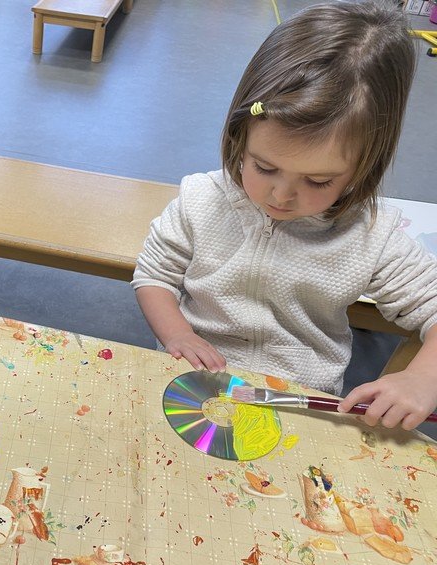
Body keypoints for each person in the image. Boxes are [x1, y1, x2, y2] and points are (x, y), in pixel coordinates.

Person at [132, 1, 437, 431]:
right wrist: (177, 334)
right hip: (192, 384)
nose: (281, 195)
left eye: (318, 181)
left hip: (298, 402)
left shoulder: (371, 236)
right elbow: (154, 275)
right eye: (264, 167)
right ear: (239, 135)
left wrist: (423, 378)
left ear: (364, 167)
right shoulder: (202, 198)